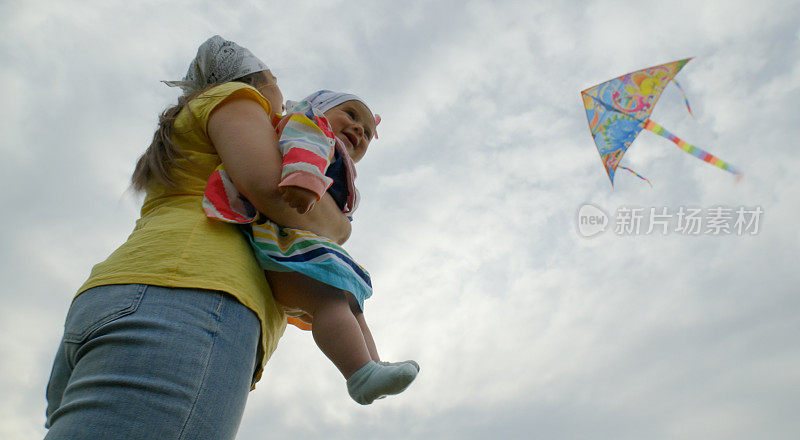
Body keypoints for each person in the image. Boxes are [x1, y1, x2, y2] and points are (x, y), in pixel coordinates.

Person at [43, 35, 350, 440]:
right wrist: (340, 224)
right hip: (193, 296)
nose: (282, 93)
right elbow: (273, 188)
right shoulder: (237, 97)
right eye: (275, 81)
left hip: (131, 295)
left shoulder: (188, 132)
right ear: (256, 81)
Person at [203, 90, 419, 405]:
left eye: (368, 133)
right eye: (350, 114)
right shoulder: (309, 123)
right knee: (329, 299)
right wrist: (304, 180)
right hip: (279, 239)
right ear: (320, 108)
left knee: (351, 304)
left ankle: (370, 364)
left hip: (301, 240)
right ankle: (360, 373)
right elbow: (300, 143)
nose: (359, 129)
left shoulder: (340, 159)